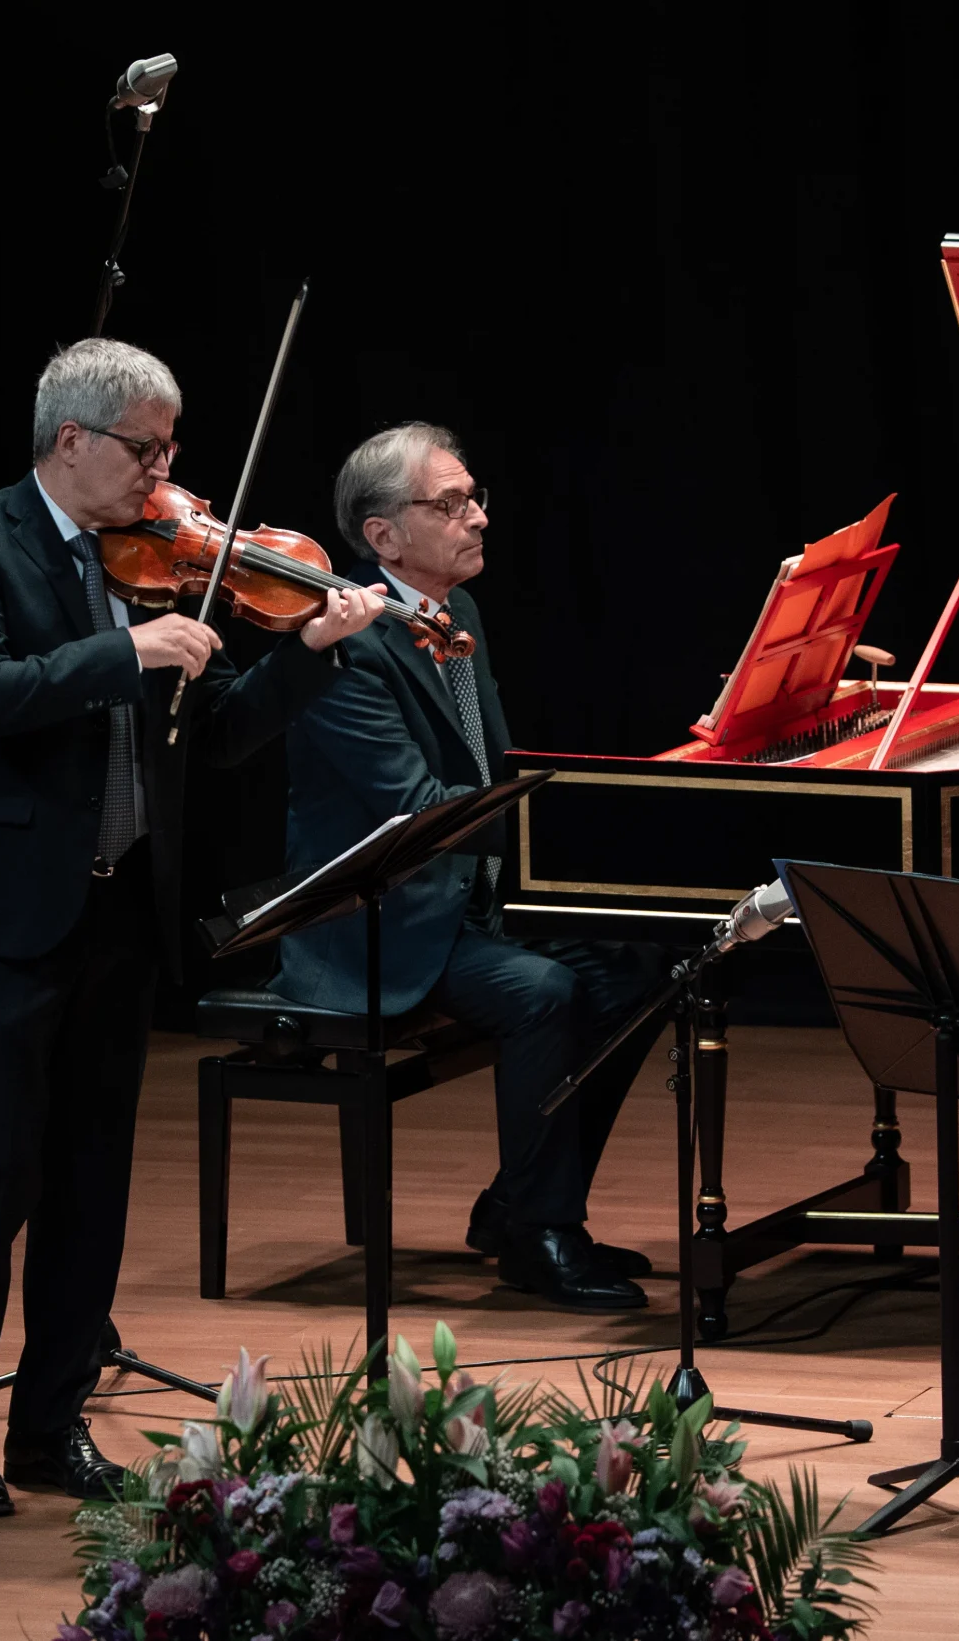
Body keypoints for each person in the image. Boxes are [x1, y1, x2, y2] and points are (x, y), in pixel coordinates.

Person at [0, 338, 382, 1517]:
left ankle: (49, 1424)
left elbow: (213, 734)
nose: (165, 475)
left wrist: (307, 653)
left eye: (170, 449)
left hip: (119, 907)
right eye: (146, 449)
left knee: (90, 1182)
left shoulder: (155, 560)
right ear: (71, 440)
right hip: (7, 917)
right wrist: (122, 649)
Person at [272, 422, 667, 1312]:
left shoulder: (457, 615)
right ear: (382, 535)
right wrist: (576, 831)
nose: (480, 518)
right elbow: (421, 812)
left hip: (471, 900)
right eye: (451, 505)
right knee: (542, 992)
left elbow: (491, 770)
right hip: (380, 918)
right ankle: (542, 1234)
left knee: (641, 968)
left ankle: (516, 1203)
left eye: (474, 498)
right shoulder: (343, 646)